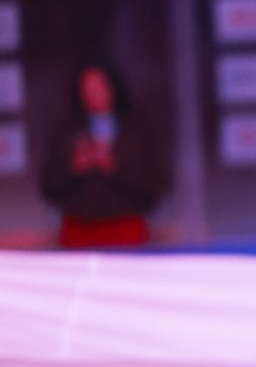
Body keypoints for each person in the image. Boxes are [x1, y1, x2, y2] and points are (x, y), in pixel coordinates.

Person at [39, 61, 171, 248]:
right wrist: (74, 167)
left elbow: (157, 181)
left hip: (126, 227)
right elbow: (48, 185)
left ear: (113, 86)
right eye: (88, 89)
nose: (94, 94)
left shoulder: (139, 128)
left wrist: (115, 166)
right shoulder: (66, 130)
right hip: (79, 228)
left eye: (99, 86)